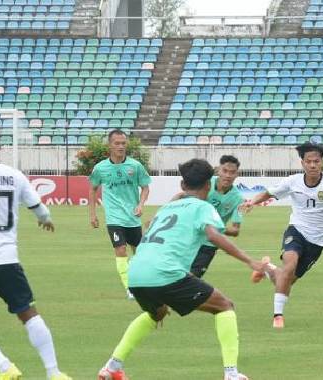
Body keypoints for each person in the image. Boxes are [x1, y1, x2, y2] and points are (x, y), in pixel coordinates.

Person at [97, 159, 265, 380]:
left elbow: (151, 229)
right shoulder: (204, 207)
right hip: (165, 273)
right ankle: (231, 374)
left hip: (136, 272)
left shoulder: (167, 207)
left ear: (182, 185)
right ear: (208, 185)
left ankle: (112, 367)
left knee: (156, 313)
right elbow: (214, 236)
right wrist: (251, 262)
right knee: (224, 306)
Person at [0, 122, 72, 380]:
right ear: (0, 147)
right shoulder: (15, 175)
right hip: (7, 261)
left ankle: (6, 368)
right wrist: (45, 220)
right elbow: (41, 210)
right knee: (29, 314)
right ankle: (54, 372)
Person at [245, 142, 323, 329]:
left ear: (321, 163)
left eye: (316, 161)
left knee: (286, 279)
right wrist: (252, 201)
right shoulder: (292, 181)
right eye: (308, 161)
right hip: (297, 230)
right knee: (289, 265)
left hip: (319, 241)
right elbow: (269, 193)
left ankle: (267, 268)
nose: (312, 165)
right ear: (302, 163)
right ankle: (278, 316)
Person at [88, 129, 151, 298]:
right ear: (109, 145)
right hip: (114, 218)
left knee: (139, 253)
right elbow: (93, 189)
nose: (121, 146)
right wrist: (92, 215)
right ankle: (129, 287)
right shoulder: (100, 168)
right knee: (121, 250)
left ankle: (141, 283)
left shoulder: (135, 166)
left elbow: (145, 187)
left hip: (133, 218)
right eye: (117, 143)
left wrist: (141, 204)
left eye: (123, 143)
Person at [171, 155, 245, 278]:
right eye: (225, 171)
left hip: (209, 244)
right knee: (175, 275)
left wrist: (212, 227)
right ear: (218, 170)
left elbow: (235, 230)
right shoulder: (205, 183)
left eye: (232, 172)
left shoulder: (239, 200)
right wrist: (162, 213)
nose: (228, 175)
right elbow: (180, 195)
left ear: (237, 174)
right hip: (188, 238)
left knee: (192, 279)